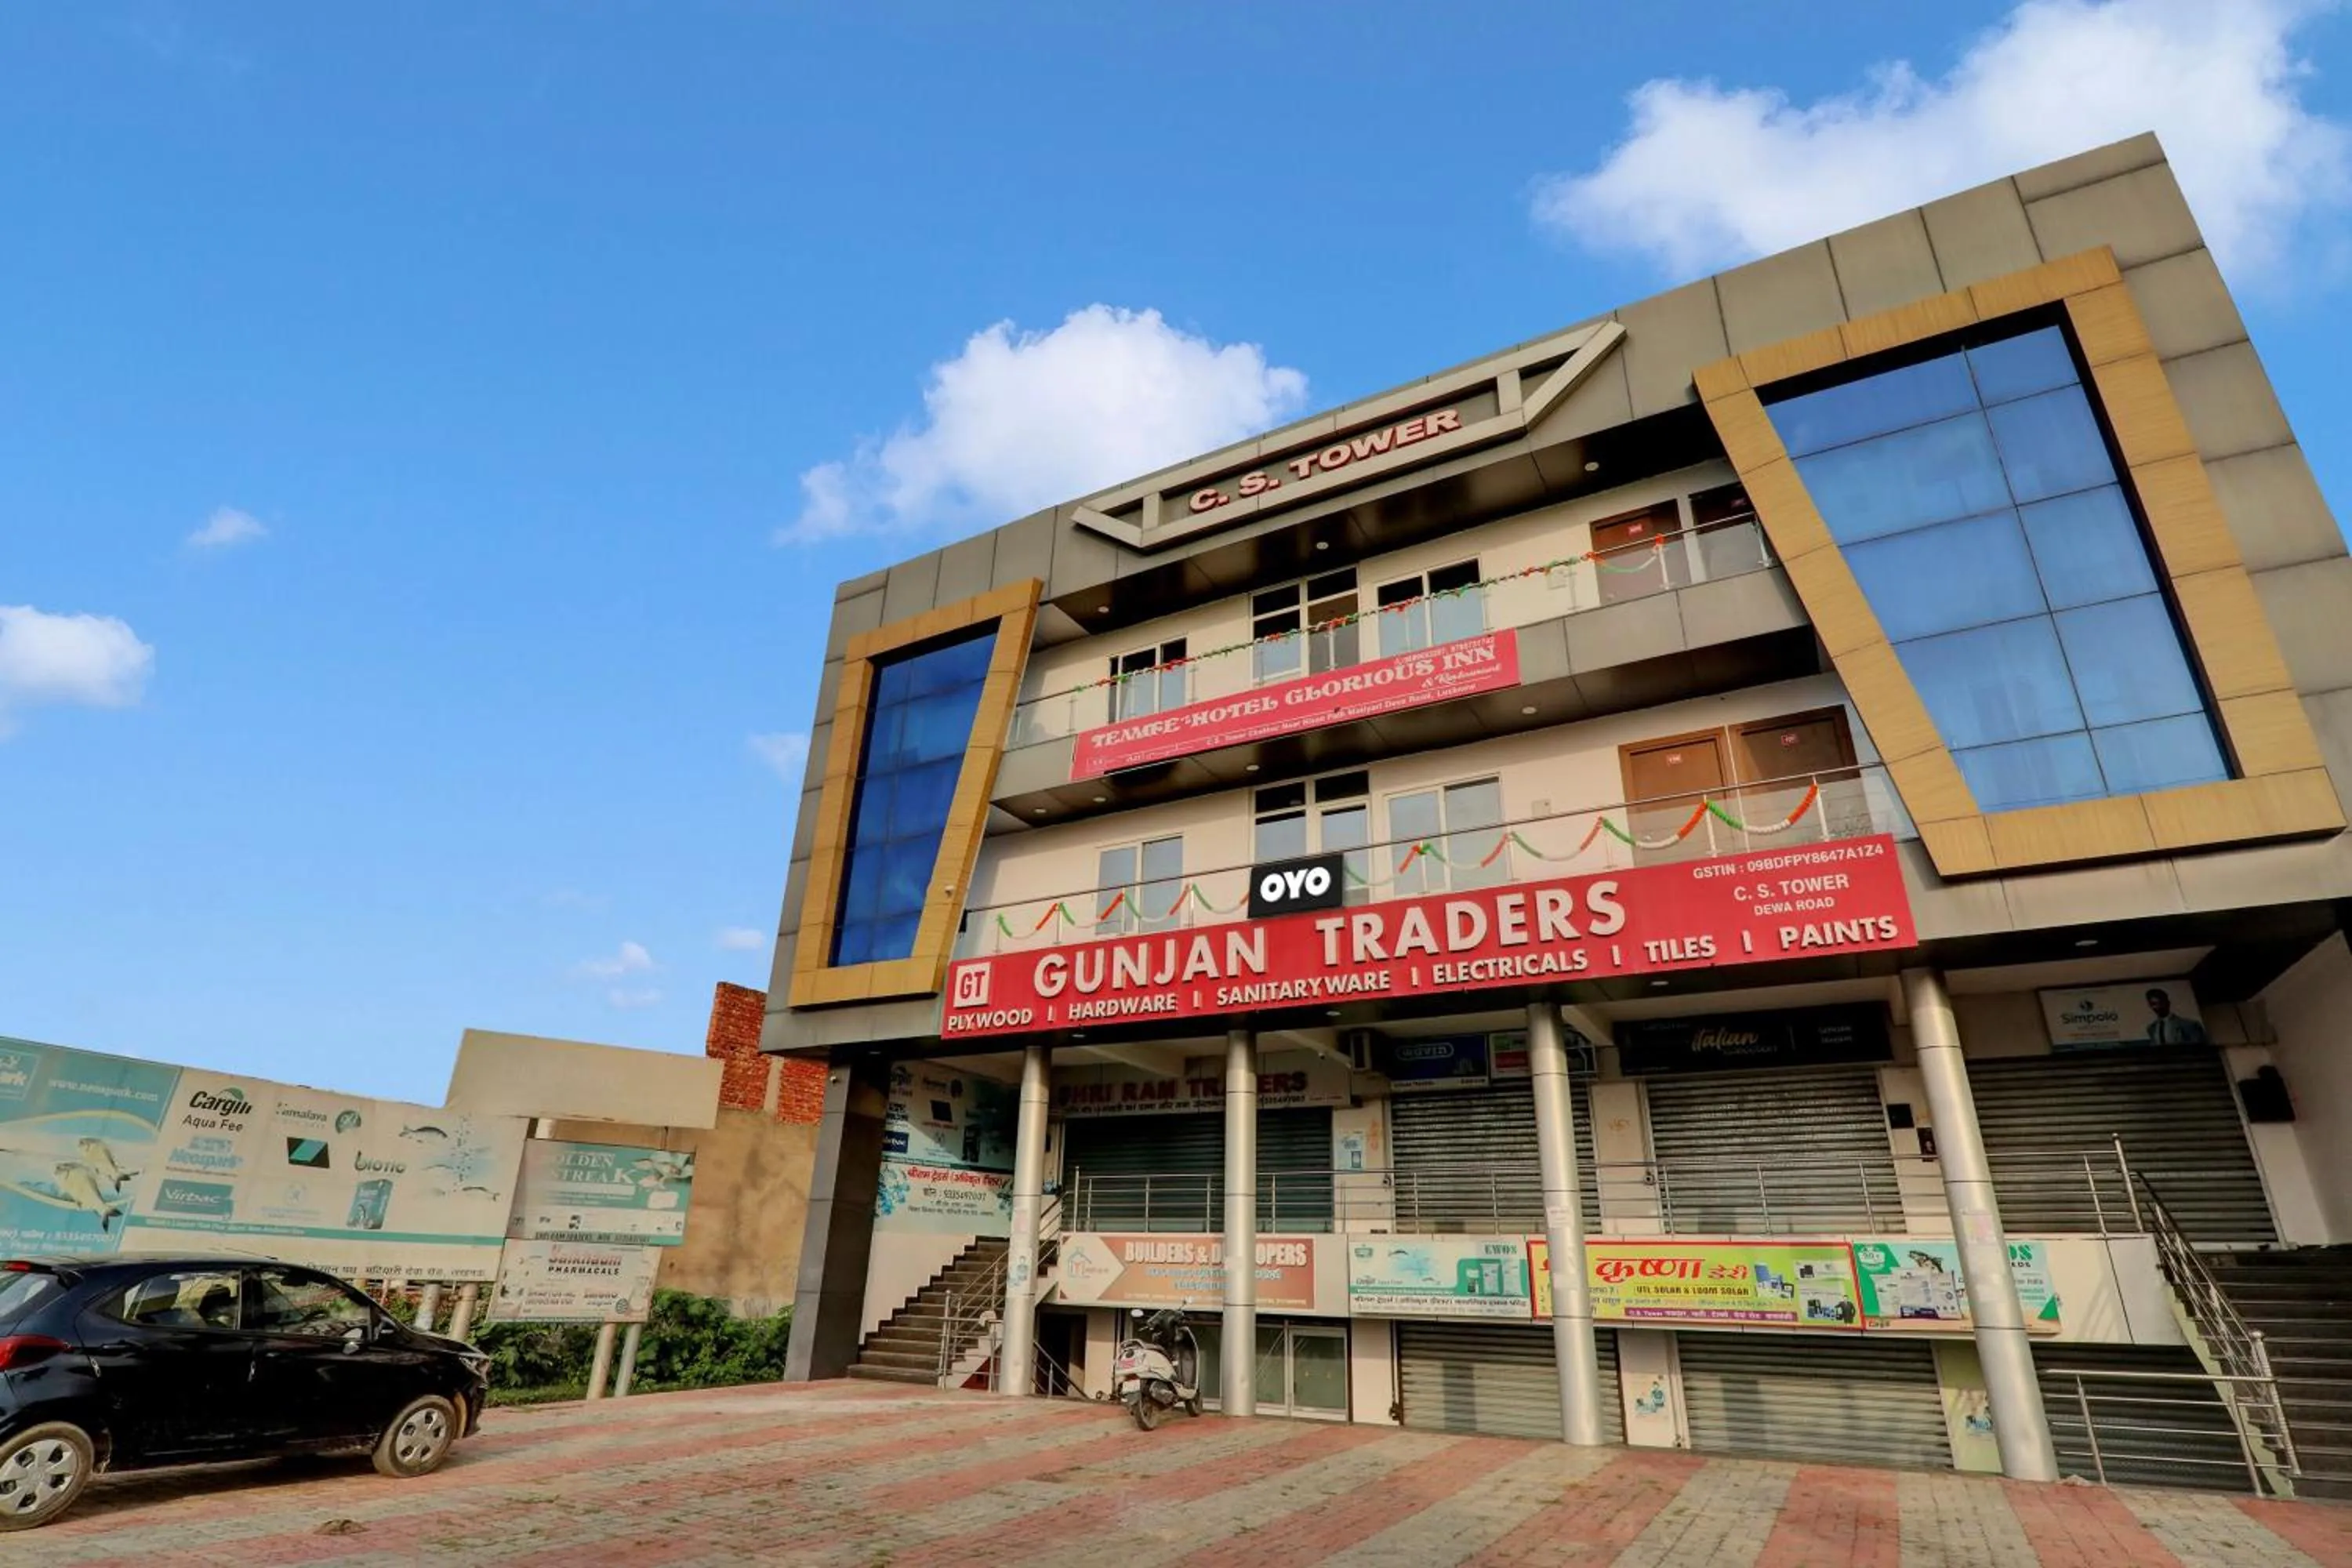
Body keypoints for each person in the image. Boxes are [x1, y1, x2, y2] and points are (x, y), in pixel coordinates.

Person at [2145, 989, 2209, 1045]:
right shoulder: (2152, 1028)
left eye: (2161, 1003)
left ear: (2168, 1003)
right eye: (2153, 1004)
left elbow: (2199, 1048)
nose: (2158, 1007)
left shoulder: (2189, 1025)